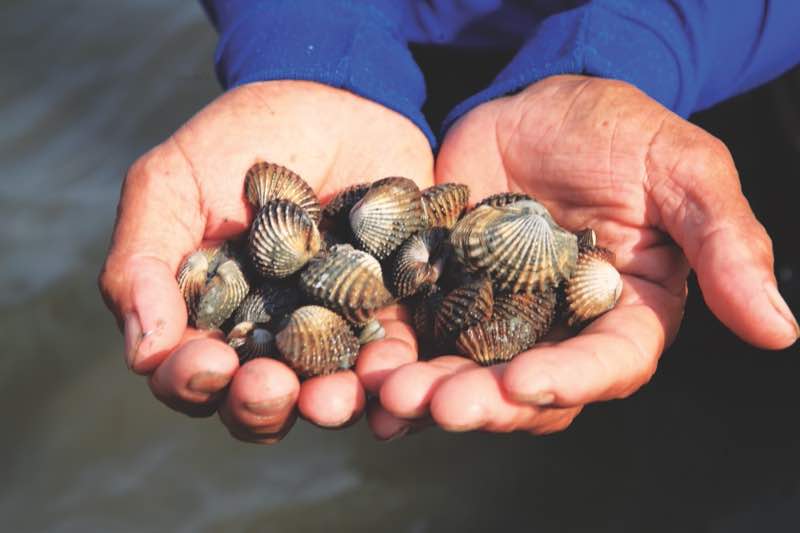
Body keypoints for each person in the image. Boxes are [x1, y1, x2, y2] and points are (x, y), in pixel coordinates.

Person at [99, 1, 800, 444]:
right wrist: (307, 42)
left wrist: (647, 45)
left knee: (703, 357)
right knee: (523, 386)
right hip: (386, 52)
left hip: (700, 71)